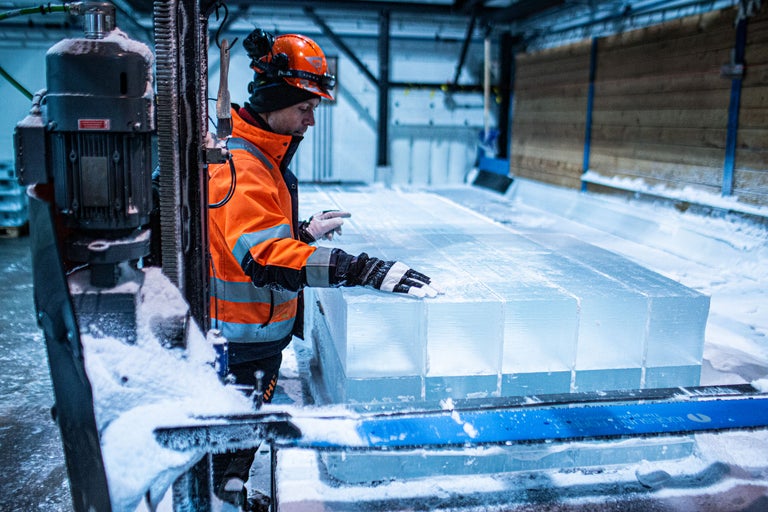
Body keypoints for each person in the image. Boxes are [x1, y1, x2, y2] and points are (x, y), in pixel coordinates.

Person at [207, 28, 440, 509]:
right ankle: (222, 495)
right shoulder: (242, 166)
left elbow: (254, 234)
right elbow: (265, 257)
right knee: (230, 439)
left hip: (256, 336)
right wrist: (358, 268)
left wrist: (305, 232)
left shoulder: (261, 158)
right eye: (305, 108)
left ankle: (229, 489)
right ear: (275, 100)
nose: (311, 121)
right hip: (240, 344)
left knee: (241, 438)